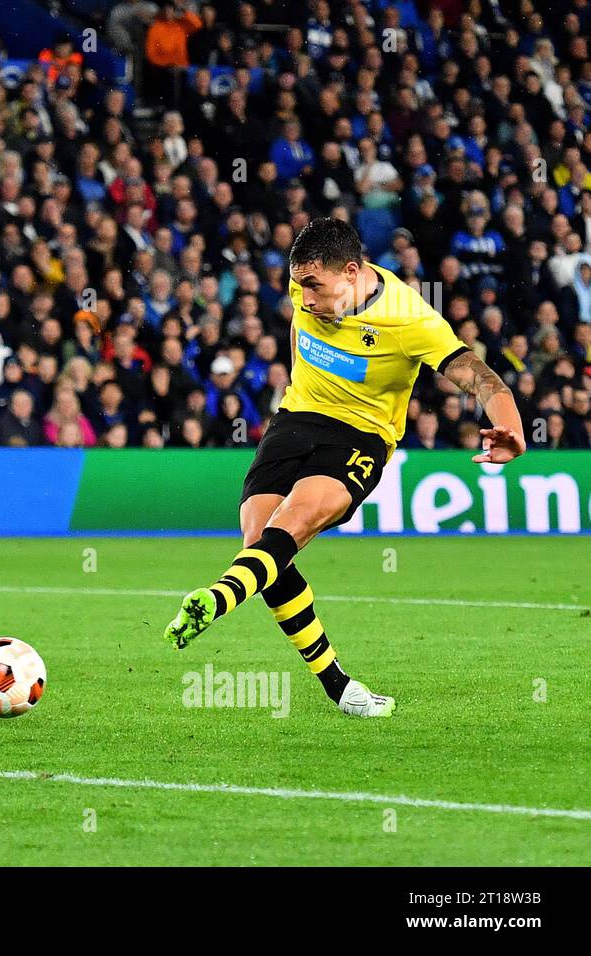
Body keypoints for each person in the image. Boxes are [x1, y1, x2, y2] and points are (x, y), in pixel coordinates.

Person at [161, 218, 525, 716]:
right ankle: (338, 686)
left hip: (362, 435)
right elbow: (297, 324)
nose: (305, 298)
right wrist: (297, 388)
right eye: (300, 285)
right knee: (261, 544)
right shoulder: (302, 283)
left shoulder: (410, 319)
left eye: (315, 287)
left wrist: (509, 426)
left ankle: (218, 598)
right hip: (299, 416)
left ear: (352, 273)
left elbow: (484, 381)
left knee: (294, 521)